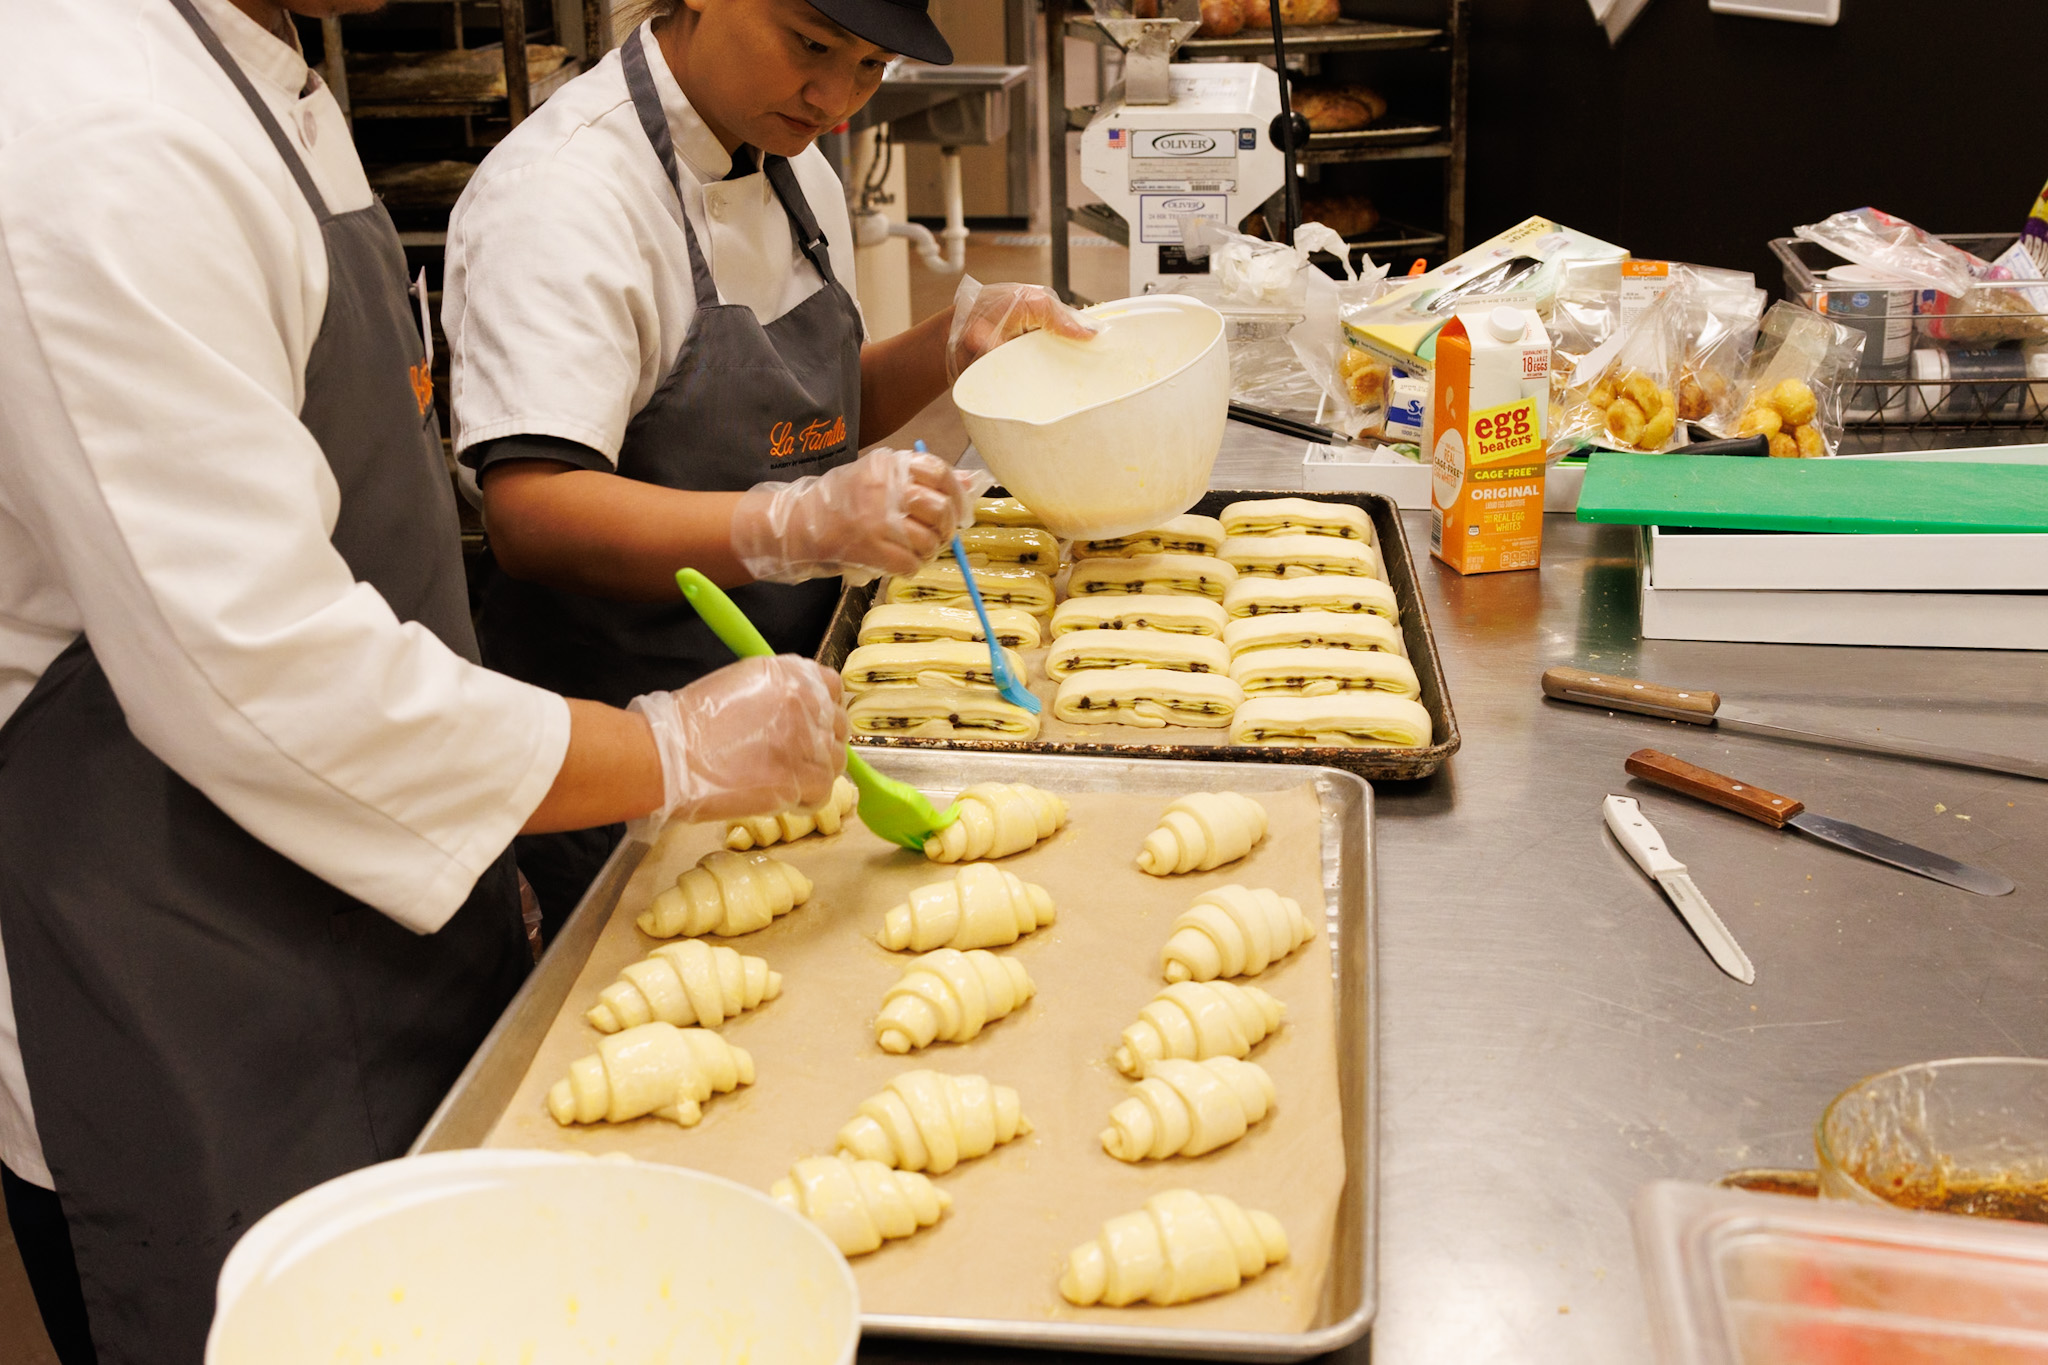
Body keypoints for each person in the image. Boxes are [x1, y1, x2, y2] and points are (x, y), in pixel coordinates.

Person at [0, 1, 854, 1360]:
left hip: (385, 900)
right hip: (185, 960)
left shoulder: (254, 63)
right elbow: (256, 664)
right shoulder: (103, 135)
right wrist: (663, 753)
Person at [441, 0, 1096, 932]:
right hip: (636, 750)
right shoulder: (565, 194)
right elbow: (534, 515)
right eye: (812, 44)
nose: (834, 98)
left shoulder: (793, 164)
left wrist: (951, 340)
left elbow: (808, 414)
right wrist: (790, 524)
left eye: (870, 66)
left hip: (804, 707)